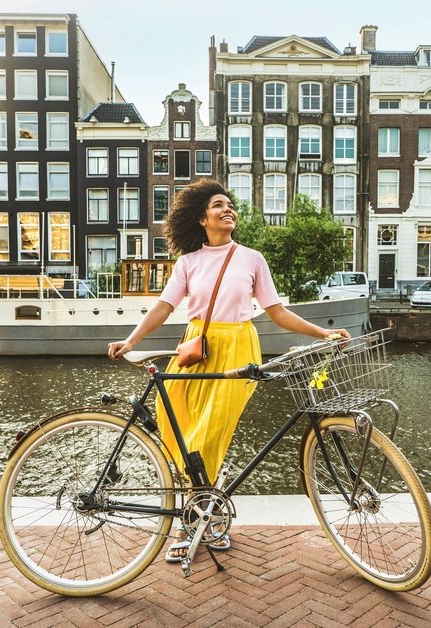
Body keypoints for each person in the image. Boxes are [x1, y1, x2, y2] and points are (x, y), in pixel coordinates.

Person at [108, 179, 349, 562]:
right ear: (202, 218)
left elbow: (276, 311)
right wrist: (132, 340)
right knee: (178, 427)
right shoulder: (188, 262)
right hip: (195, 349)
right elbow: (164, 307)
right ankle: (200, 511)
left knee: (210, 433)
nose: (228, 209)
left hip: (237, 348)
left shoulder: (252, 258)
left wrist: (323, 332)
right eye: (218, 205)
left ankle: (203, 518)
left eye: (230, 204)